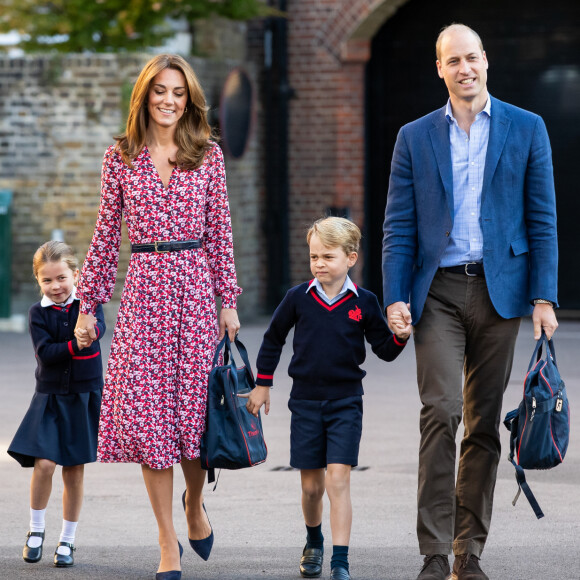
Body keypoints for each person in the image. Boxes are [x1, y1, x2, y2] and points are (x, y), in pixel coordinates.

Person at [382, 23, 558, 580]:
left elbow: (543, 220)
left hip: (500, 292)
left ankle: (468, 552)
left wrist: (544, 296)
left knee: (482, 424)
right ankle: (433, 551)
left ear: (487, 61)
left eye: (473, 57)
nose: (466, 68)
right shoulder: (414, 136)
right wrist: (394, 298)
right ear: (440, 68)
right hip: (436, 291)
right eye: (454, 60)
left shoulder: (528, 128)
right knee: (441, 411)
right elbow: (397, 228)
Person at [74, 54, 242, 580]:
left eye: (178, 93)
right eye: (159, 91)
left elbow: (220, 231)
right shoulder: (120, 158)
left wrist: (228, 299)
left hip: (193, 291)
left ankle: (195, 504)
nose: (169, 101)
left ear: (188, 99)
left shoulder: (207, 155)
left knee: (193, 421)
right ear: (144, 96)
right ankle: (167, 541)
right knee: (152, 425)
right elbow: (105, 238)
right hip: (143, 294)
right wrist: (88, 305)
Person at [246, 216, 410, 580]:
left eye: (328, 257)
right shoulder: (297, 299)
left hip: (346, 402)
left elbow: (384, 349)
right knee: (311, 487)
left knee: (338, 481)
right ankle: (313, 540)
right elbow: (273, 339)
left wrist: (400, 335)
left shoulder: (364, 302)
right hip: (305, 403)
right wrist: (263, 383)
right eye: (314, 256)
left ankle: (340, 561)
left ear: (351, 258)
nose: (319, 264)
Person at [8, 241, 106, 568]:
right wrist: (73, 345)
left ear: (75, 274)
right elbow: (46, 355)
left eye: (61, 278)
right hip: (49, 396)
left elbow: (98, 331)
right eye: (47, 281)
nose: (56, 286)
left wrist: (87, 332)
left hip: (83, 396)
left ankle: (68, 540)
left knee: (74, 470)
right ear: (38, 281)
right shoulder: (38, 313)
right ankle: (36, 530)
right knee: (45, 464)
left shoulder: (89, 306)